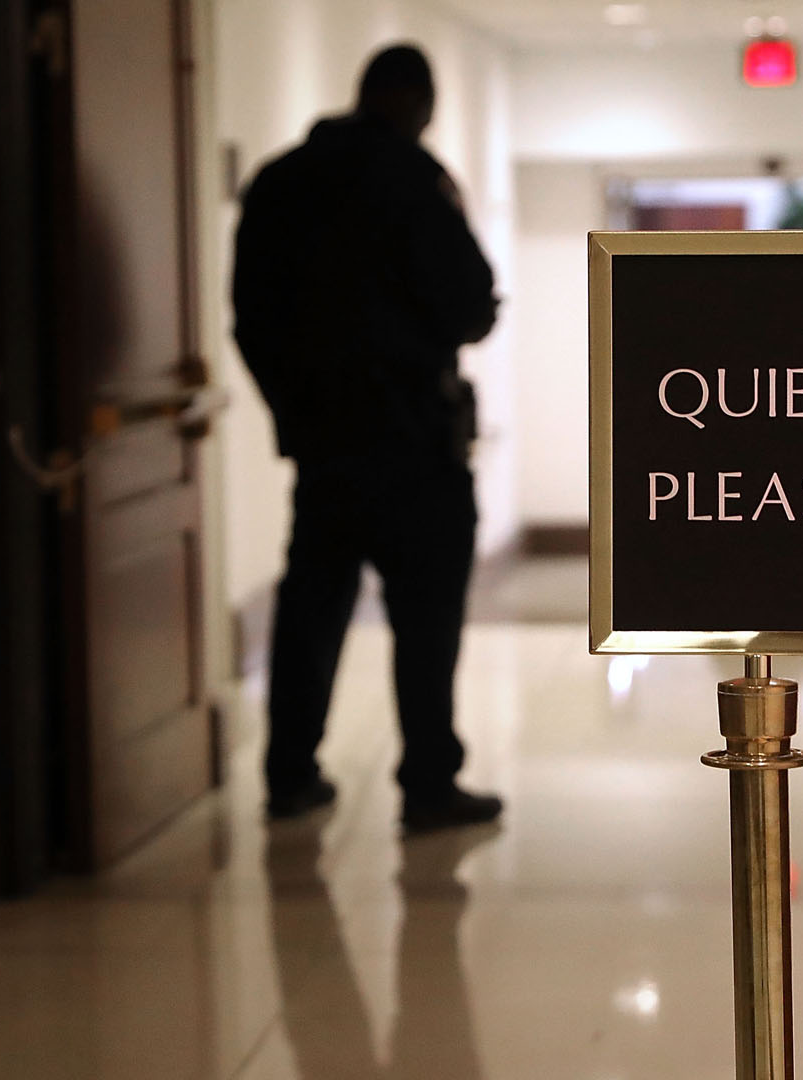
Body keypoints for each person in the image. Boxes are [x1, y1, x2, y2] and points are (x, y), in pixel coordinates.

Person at [231, 44, 504, 832]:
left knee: (310, 609)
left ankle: (289, 773)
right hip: (417, 442)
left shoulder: (280, 183)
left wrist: (295, 409)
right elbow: (469, 302)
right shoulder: (416, 182)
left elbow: (250, 317)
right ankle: (428, 782)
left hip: (325, 446)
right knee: (426, 621)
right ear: (418, 102)